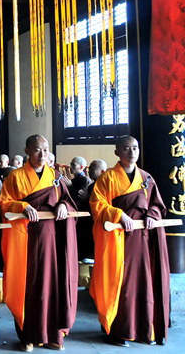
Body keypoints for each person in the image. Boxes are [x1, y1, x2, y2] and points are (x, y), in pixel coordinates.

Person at [0, 135, 78, 351]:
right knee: (29, 286)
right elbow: (3, 204)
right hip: (27, 239)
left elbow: (69, 201)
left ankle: (53, 334)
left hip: (53, 240)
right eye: (37, 150)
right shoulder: (15, 177)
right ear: (27, 151)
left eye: (45, 150)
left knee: (53, 285)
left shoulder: (56, 177)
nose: (42, 154)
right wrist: (22, 206)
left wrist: (63, 205)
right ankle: (28, 336)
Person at [90, 136, 169, 346]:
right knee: (121, 284)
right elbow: (97, 205)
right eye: (126, 148)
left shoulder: (146, 178)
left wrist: (151, 215)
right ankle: (119, 331)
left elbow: (157, 204)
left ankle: (144, 330)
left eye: (135, 148)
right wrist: (119, 214)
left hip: (142, 240)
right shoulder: (107, 178)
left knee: (143, 282)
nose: (132, 152)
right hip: (118, 239)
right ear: (117, 152)